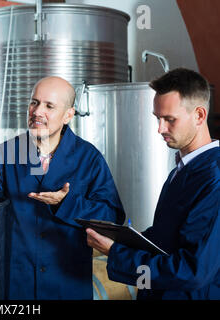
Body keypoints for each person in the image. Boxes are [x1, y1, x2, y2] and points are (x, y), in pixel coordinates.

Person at [0, 76, 125, 299]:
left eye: (49, 106)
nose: (37, 111)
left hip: (67, 283)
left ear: (68, 115)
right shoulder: (4, 154)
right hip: (16, 284)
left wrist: (67, 204)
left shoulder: (89, 159)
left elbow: (111, 218)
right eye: (34, 102)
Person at [86, 68, 220, 300]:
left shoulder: (214, 178)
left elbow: (192, 272)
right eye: (157, 118)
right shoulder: (182, 169)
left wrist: (116, 253)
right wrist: (125, 238)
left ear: (199, 115)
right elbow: (166, 238)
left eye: (169, 119)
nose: (160, 129)